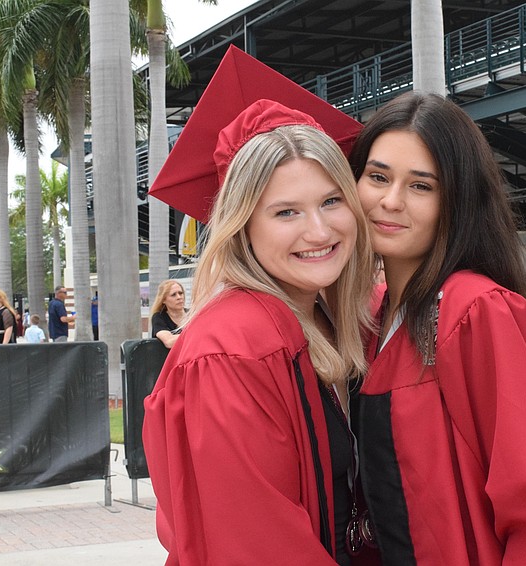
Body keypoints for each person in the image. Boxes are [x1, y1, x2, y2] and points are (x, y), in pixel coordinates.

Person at [349, 92, 526, 564]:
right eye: (377, 177)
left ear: (457, 201)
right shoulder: (373, 320)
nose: (390, 201)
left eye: (421, 186)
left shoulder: (477, 313)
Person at [142, 97, 375, 565]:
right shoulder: (231, 349)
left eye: (332, 201)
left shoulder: (323, 320)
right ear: (242, 225)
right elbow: (258, 546)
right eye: (286, 212)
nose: (319, 230)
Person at [149, 280, 186, 349]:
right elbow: (169, 342)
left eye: (180, 293)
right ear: (163, 300)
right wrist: (195, 335)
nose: (179, 297)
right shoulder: (159, 317)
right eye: (173, 295)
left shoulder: (193, 314)